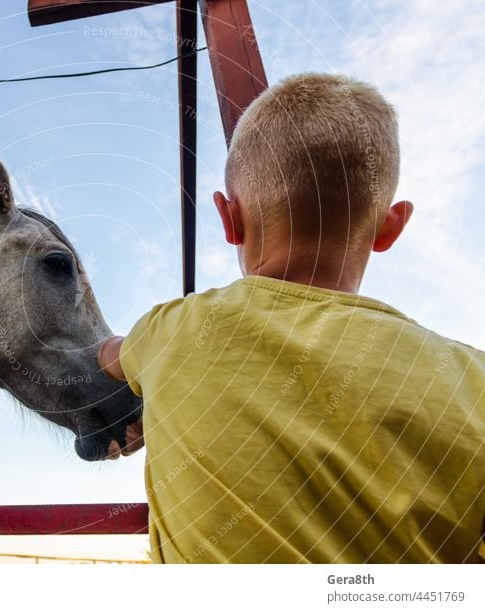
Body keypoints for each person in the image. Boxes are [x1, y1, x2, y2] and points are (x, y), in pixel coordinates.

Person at [98, 73, 485, 563]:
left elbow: (106, 354)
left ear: (228, 219)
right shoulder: (474, 381)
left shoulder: (171, 331)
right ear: (390, 225)